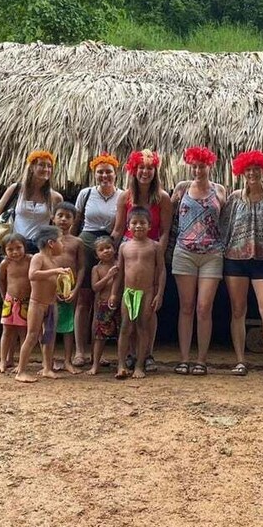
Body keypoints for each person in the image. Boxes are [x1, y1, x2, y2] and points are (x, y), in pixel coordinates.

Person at [221, 150, 263, 378]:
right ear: (242, 172)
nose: (252, 173)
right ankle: (240, 360)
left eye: (256, 169)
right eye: (248, 170)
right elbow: (223, 227)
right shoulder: (234, 198)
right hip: (235, 260)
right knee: (238, 310)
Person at [112, 149, 172, 372]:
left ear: (155, 171)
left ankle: (146, 354)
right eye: (141, 168)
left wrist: (158, 255)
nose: (145, 172)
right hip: (129, 253)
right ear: (134, 170)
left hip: (152, 251)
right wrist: (112, 254)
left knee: (149, 310)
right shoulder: (125, 197)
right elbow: (119, 229)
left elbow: (165, 230)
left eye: (149, 168)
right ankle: (128, 354)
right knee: (128, 312)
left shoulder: (162, 197)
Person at [171, 147, 227, 376]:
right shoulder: (182, 188)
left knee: (204, 308)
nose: (197, 170)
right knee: (186, 307)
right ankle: (184, 358)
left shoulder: (220, 190)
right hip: (184, 251)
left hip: (212, 253)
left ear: (209, 165)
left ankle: (201, 360)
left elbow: (226, 220)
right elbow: (170, 216)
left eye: (201, 166)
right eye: (193, 166)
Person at [70, 153, 123, 367]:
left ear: (115, 173)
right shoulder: (86, 193)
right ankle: (80, 351)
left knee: (105, 299)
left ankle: (97, 352)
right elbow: (76, 221)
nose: (104, 175)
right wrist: (70, 245)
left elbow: (120, 226)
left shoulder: (122, 196)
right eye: (100, 172)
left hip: (110, 244)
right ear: (95, 174)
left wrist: (114, 250)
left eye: (108, 171)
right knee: (83, 299)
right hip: (86, 242)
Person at [0, 150, 63, 259]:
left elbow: (59, 227)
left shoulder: (55, 197)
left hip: (40, 249)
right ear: (31, 168)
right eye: (41, 165)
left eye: (49, 166)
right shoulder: (16, 190)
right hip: (16, 247)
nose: (46, 169)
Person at [110, 207, 166, 379]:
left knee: (142, 327)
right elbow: (119, 273)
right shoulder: (124, 247)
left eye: (143, 223)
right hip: (128, 292)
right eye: (134, 223)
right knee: (126, 327)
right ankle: (121, 364)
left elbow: (161, 270)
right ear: (128, 226)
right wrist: (113, 293)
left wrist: (159, 293)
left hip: (147, 292)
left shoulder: (155, 246)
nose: (138, 226)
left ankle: (140, 365)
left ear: (150, 226)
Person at [14, 226, 71, 383]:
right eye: (61, 241)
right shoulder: (38, 258)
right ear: (51, 243)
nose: (63, 245)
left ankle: (47, 368)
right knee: (32, 336)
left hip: (51, 304)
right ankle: (21, 371)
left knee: (50, 337)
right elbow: (32, 275)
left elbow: (52, 283)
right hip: (37, 304)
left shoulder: (53, 261)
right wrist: (55, 272)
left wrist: (63, 291)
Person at [52, 202, 86, 373]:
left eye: (68, 217)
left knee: (68, 325)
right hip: (50, 287)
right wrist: (51, 288)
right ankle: (47, 361)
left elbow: (81, 267)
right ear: (53, 218)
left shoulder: (77, 242)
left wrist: (76, 289)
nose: (63, 219)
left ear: (74, 220)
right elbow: (43, 263)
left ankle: (67, 360)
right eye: (60, 215)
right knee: (48, 325)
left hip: (69, 289)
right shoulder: (47, 239)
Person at [0, 233, 32, 372]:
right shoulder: (5, 263)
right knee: (7, 331)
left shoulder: (30, 260)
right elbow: (1, 280)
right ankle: (3, 361)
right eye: (10, 249)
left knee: (24, 333)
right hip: (10, 301)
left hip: (26, 301)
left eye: (18, 248)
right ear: (4, 251)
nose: (15, 252)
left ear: (25, 247)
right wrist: (4, 295)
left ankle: (22, 363)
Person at [87, 236, 120, 375]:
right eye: (101, 250)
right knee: (100, 336)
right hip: (103, 304)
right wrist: (108, 276)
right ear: (96, 254)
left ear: (114, 249)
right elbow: (95, 287)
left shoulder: (119, 264)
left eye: (108, 248)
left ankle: (122, 363)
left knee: (123, 333)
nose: (105, 251)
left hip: (119, 303)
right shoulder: (96, 269)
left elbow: (120, 284)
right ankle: (95, 364)